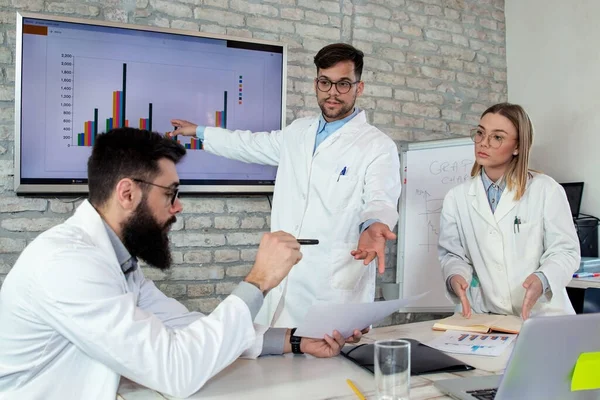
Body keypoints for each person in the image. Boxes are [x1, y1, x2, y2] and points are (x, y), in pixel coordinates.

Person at [0, 128, 360, 400]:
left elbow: (186, 326)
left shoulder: (113, 258)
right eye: (170, 194)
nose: (178, 207)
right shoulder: (67, 264)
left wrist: (296, 341)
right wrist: (259, 280)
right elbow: (174, 369)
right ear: (127, 193)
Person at [167, 43, 402, 327]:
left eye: (343, 84)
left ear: (359, 88)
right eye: (325, 82)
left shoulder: (376, 145)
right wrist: (200, 131)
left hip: (331, 285)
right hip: (284, 274)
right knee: (278, 356)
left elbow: (381, 198)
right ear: (316, 83)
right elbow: (250, 144)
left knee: (330, 365)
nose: (332, 92)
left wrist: (374, 226)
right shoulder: (298, 132)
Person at [438, 102, 580, 320]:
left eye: (497, 137)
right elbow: (452, 255)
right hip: (483, 317)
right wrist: (455, 275)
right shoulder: (456, 197)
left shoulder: (545, 189)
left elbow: (565, 251)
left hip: (542, 316)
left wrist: (542, 279)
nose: (483, 143)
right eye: (480, 133)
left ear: (518, 147)